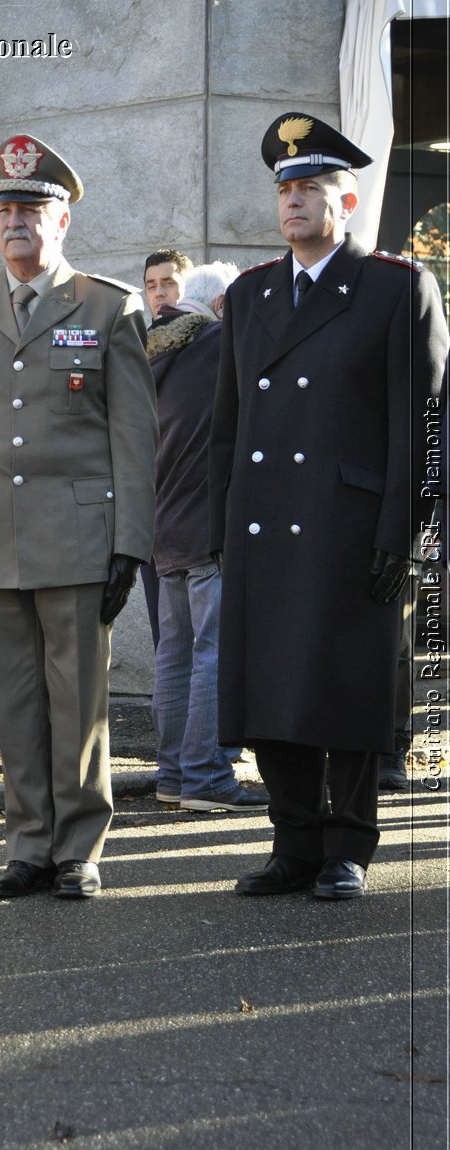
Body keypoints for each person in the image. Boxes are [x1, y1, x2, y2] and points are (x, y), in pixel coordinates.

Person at [209, 112, 448, 900]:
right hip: (262, 520)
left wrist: (406, 534)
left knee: (344, 687)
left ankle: (347, 845)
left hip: (351, 527)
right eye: (284, 188)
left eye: (310, 187)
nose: (293, 201)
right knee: (270, 687)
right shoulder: (249, 296)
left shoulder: (395, 287)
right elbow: (227, 424)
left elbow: (425, 424)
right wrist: (218, 529)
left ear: (346, 203)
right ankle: (292, 843)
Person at [0, 133, 158, 900]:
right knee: (14, 700)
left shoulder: (107, 307)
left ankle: (78, 848)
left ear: (62, 222)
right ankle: (27, 845)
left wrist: (130, 543)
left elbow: (133, 436)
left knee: (76, 702)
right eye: (6, 210)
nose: (17, 221)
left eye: (32, 208)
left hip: (76, 538)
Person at [150, 261, 268, 814]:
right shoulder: (221, 345)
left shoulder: (153, 348)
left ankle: (173, 773)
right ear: (222, 305)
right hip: (210, 527)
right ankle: (206, 777)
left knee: (174, 653)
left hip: (163, 526)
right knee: (213, 653)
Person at [140, 248, 194, 645]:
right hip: (148, 508)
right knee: (166, 639)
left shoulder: (209, 340)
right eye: (152, 285)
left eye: (169, 283)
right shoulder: (134, 346)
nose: (160, 293)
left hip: (193, 508)